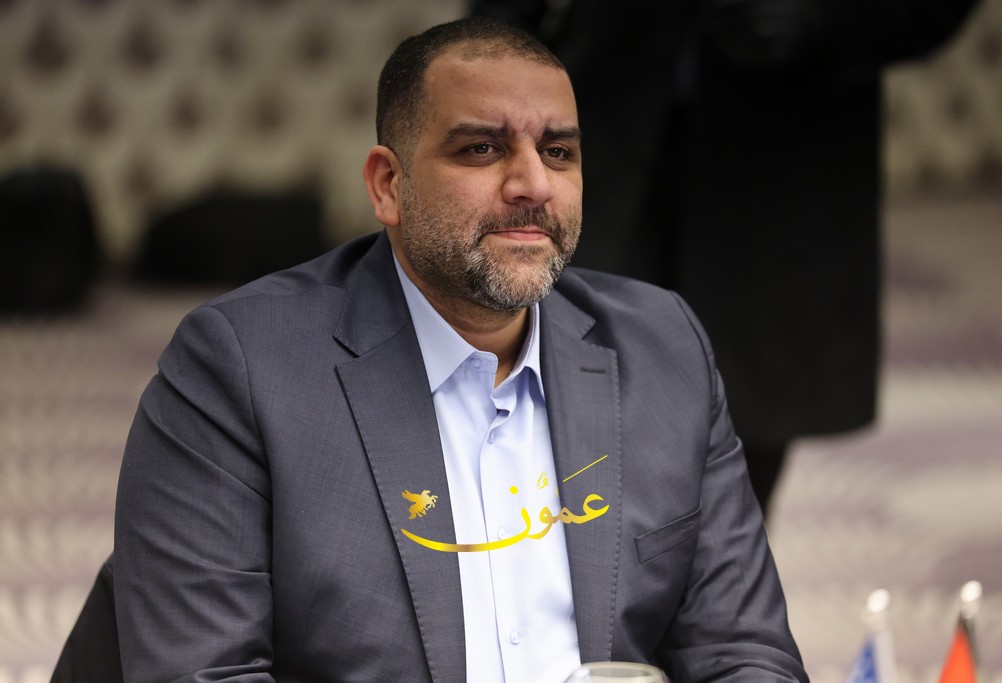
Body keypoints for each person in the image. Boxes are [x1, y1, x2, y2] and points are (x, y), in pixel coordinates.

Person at [110, 17, 807, 682]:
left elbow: (741, 648)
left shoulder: (663, 346)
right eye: (482, 148)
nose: (533, 184)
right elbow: (202, 668)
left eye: (558, 152)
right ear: (389, 185)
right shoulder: (240, 366)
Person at [472, 0, 979, 512]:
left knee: (744, 433)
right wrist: (499, 60)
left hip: (784, 153)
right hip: (602, 123)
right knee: (559, 398)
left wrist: (829, 18)